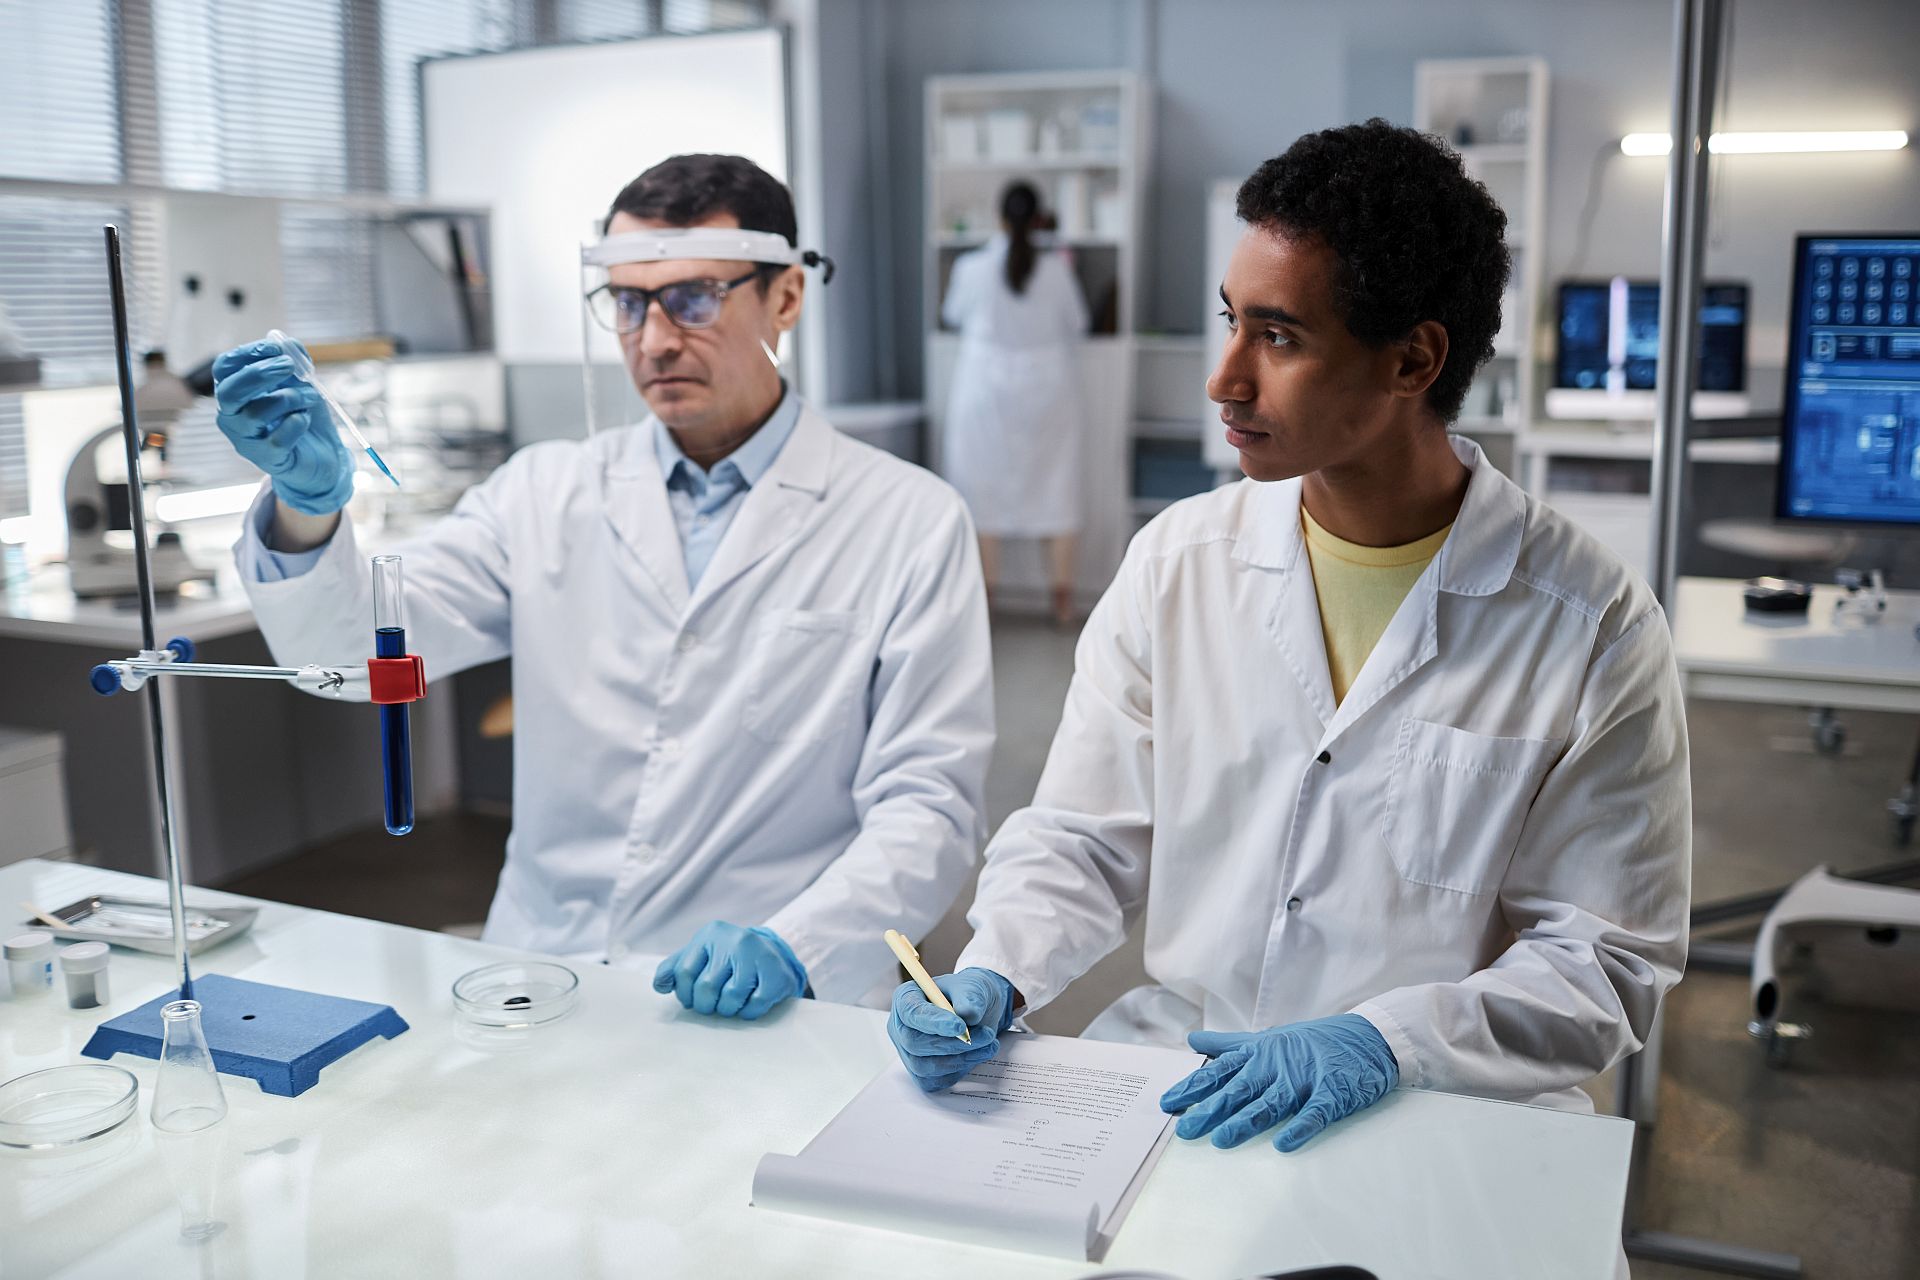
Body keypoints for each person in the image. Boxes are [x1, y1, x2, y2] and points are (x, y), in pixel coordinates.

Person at [889, 120, 1691, 1155]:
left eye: (1277, 337)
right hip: (1185, 1080)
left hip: (1444, 1112)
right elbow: (1085, 832)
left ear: (1414, 359)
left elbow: (1603, 957)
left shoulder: (1593, 625)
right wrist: (998, 962)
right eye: (1230, 322)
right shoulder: (1177, 563)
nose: (1224, 378)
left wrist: (1384, 1041)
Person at [210, 154, 994, 1018]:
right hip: (544, 978)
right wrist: (305, 507)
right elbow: (350, 658)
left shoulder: (908, 518)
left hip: (786, 999)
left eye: (694, 298)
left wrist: (796, 941)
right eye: (627, 303)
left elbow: (930, 805)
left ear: (786, 299)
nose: (655, 339)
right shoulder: (541, 492)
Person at [940, 181, 1090, 626]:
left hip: (985, 391)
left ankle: (984, 603)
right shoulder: (1057, 270)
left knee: (981, 493)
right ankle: (1062, 603)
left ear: (999, 217)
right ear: (1039, 218)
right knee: (1056, 488)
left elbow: (951, 316)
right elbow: (1078, 322)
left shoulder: (971, 267)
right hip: (1049, 392)